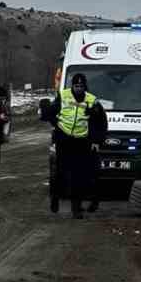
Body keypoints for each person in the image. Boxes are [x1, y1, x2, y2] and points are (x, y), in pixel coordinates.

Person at [44, 73, 107, 219]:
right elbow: (51, 113)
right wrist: (54, 122)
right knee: (60, 173)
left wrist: (97, 141)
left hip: (81, 141)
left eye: (81, 86)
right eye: (76, 86)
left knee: (79, 176)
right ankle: (55, 198)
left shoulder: (92, 100)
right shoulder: (63, 96)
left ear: (85, 86)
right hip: (64, 139)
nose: (78, 88)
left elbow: (101, 123)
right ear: (72, 86)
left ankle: (76, 208)